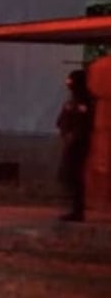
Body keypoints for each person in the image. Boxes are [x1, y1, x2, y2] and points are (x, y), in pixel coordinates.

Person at [57, 69, 94, 222]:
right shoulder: (72, 101)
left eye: (71, 81)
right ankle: (74, 208)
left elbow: (85, 122)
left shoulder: (85, 101)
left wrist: (74, 135)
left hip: (79, 143)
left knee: (75, 176)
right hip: (71, 142)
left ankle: (78, 210)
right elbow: (61, 119)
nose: (68, 84)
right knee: (69, 175)